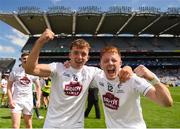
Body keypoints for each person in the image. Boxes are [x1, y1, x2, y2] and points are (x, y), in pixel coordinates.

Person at [24, 29, 132, 128]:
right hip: (53, 125)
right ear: (69, 55)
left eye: (83, 54)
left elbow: (113, 73)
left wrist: (127, 68)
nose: (79, 57)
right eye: (75, 53)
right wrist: (40, 42)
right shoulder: (58, 68)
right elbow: (29, 69)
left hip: (76, 126)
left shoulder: (92, 72)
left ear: (87, 58)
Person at [90, 46, 173, 129]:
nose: (110, 63)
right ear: (100, 64)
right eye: (106, 61)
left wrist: (152, 79)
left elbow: (166, 103)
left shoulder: (132, 79)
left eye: (114, 60)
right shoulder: (98, 78)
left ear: (120, 63)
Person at [7, 52, 41, 129]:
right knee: (15, 126)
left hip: (28, 102)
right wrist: (10, 100)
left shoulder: (33, 71)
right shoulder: (15, 71)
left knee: (28, 125)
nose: (26, 60)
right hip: (16, 101)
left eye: (28, 58)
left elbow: (38, 87)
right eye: (24, 58)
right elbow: (9, 87)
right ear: (21, 60)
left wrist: (38, 100)